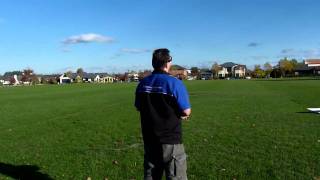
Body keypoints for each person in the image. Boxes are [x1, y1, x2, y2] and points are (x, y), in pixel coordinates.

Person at [135, 48, 191, 180]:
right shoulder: (175, 83)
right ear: (167, 62)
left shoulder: (142, 84)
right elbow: (186, 111)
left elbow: (139, 107)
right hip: (171, 141)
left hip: (150, 140)